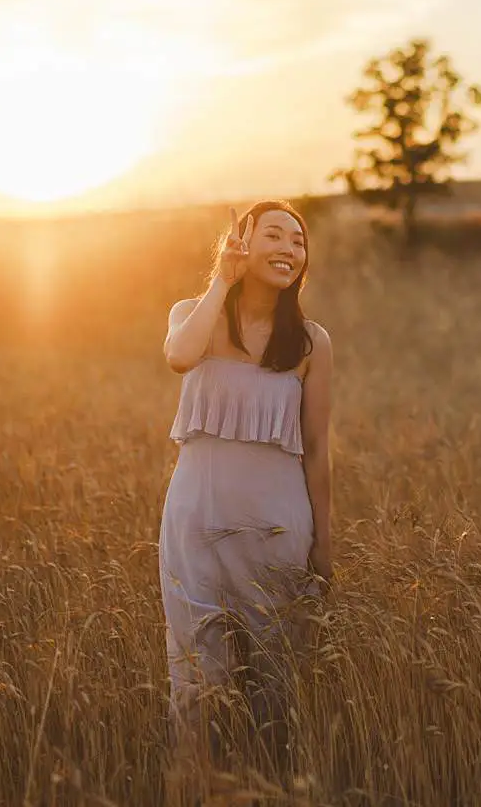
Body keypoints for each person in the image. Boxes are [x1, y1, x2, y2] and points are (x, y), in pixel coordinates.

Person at [159, 200, 334, 766]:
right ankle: (199, 786)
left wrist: (324, 546)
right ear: (241, 241)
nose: (288, 248)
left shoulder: (310, 342)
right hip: (196, 523)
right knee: (196, 680)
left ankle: (273, 785)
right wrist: (221, 279)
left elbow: (318, 451)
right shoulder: (195, 315)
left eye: (298, 241)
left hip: (276, 530)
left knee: (276, 680)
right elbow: (179, 357)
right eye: (274, 235)